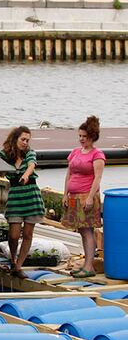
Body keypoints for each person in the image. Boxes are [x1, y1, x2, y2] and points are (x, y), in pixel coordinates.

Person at [0, 126, 46, 278]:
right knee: (13, 235)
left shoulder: (30, 153)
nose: (25, 143)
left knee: (27, 234)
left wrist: (25, 175)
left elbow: (32, 164)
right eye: (23, 139)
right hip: (16, 197)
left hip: (31, 195)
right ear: (15, 139)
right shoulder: (5, 155)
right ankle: (12, 260)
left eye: (27, 140)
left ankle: (18, 266)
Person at [62, 116, 106, 278]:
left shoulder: (97, 155)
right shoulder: (75, 152)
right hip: (73, 196)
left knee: (88, 230)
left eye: (84, 137)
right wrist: (65, 193)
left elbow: (97, 178)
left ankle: (89, 266)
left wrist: (90, 197)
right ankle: (87, 264)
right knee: (81, 230)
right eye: (80, 136)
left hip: (87, 196)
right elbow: (69, 173)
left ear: (92, 137)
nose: (81, 139)